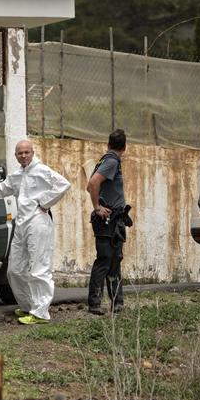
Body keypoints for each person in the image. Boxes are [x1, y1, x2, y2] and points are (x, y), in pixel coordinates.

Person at [0, 139, 71, 325]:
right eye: (20, 153)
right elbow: (0, 189)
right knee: (14, 270)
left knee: (39, 269)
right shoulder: (17, 175)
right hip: (21, 223)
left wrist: (44, 203)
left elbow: (63, 184)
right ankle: (29, 305)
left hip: (38, 223)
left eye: (26, 152)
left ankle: (41, 313)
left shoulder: (41, 170)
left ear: (32, 152)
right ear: (15, 155)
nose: (23, 156)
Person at [86, 129, 130, 315]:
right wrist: (97, 207)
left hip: (115, 220)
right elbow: (92, 183)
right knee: (105, 260)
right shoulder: (111, 161)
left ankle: (117, 302)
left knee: (115, 261)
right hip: (107, 220)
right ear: (125, 147)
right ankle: (94, 303)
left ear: (108, 144)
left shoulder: (108, 159)